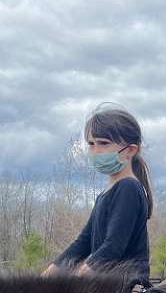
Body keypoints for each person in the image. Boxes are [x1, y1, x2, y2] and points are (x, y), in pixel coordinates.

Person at [44, 105, 152, 282]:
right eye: (91, 144)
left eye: (103, 143)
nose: (95, 150)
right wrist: (51, 271)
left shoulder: (128, 188)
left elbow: (113, 247)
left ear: (130, 150)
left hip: (125, 286)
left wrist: (80, 276)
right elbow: (83, 242)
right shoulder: (106, 194)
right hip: (107, 283)